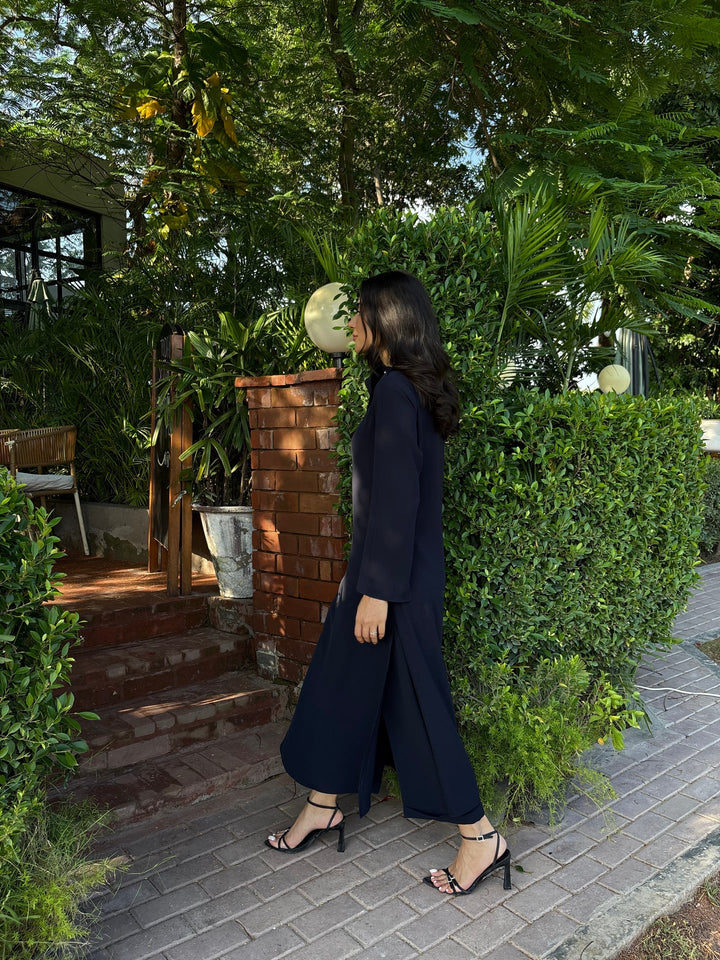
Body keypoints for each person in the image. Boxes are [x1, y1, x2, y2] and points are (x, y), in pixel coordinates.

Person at [266, 270, 510, 896]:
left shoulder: (398, 393)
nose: (350, 323)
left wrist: (375, 592)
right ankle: (323, 803)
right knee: (341, 683)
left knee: (421, 702)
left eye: (360, 312)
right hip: (382, 575)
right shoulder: (400, 388)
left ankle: (481, 837)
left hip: (392, 584)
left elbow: (398, 502)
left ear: (386, 321)